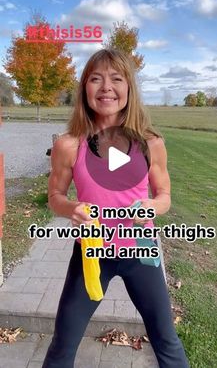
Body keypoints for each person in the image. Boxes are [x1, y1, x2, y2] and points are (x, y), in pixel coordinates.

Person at [42, 48, 190, 368]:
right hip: (91, 254)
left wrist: (153, 205)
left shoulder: (150, 142)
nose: (106, 87)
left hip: (140, 251)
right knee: (62, 343)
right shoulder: (69, 144)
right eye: (96, 79)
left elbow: (164, 194)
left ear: (128, 89)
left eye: (116, 79)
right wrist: (71, 209)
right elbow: (55, 195)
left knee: (166, 339)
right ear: (85, 89)